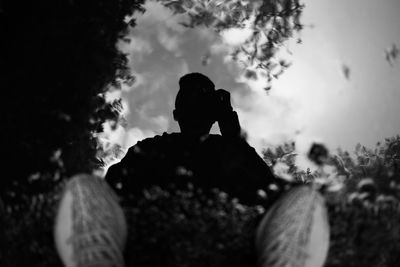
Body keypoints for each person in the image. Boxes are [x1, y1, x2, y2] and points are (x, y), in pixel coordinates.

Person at [105, 72, 279, 207]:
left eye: (202, 102)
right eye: (189, 101)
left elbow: (264, 185)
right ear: (177, 114)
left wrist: (229, 124)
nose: (196, 108)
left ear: (213, 113)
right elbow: (114, 185)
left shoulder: (225, 148)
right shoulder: (153, 147)